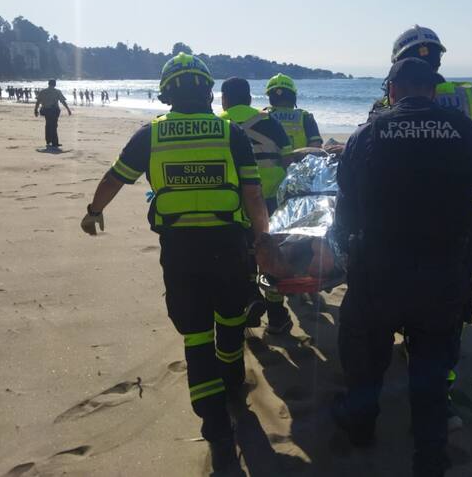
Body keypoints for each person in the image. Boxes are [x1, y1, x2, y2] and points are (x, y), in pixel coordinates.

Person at [329, 58, 472, 476]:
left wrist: (345, 253)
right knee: (431, 369)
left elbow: (345, 210)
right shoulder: (468, 132)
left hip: (377, 273)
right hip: (442, 274)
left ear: (392, 91)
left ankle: (360, 424)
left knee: (364, 356)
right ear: (433, 91)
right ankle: (429, 457)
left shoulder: (367, 135)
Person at [80, 53, 269, 472]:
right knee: (231, 320)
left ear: (166, 94)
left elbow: (115, 178)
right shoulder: (231, 133)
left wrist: (93, 212)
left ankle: (215, 427)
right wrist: (263, 240)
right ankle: (233, 383)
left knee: (196, 337)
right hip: (228, 246)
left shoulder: (151, 135)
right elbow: (253, 194)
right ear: (208, 92)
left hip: (180, 252)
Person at [380, 25, 472, 421]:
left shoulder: (391, 100)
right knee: (458, 292)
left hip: (402, 216)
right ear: (439, 59)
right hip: (467, 215)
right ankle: (440, 386)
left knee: (400, 283)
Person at [219, 77, 295, 332]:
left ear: (224, 99)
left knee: (243, 254)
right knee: (270, 255)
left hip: (234, 200)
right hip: (269, 198)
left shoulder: (219, 123)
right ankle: (276, 315)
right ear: (250, 99)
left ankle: (251, 296)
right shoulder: (270, 121)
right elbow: (288, 160)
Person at [264, 73, 323, 150]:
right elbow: (316, 148)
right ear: (293, 97)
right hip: (299, 157)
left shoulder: (260, 116)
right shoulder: (305, 117)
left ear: (270, 98)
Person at [34, 79, 72, 149]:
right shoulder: (57, 91)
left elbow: (38, 102)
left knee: (48, 124)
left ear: (48, 84)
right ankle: (54, 142)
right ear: (55, 84)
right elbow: (63, 101)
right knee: (54, 126)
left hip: (45, 110)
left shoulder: (43, 91)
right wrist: (68, 109)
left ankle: (48, 141)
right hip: (54, 110)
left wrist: (35, 110)